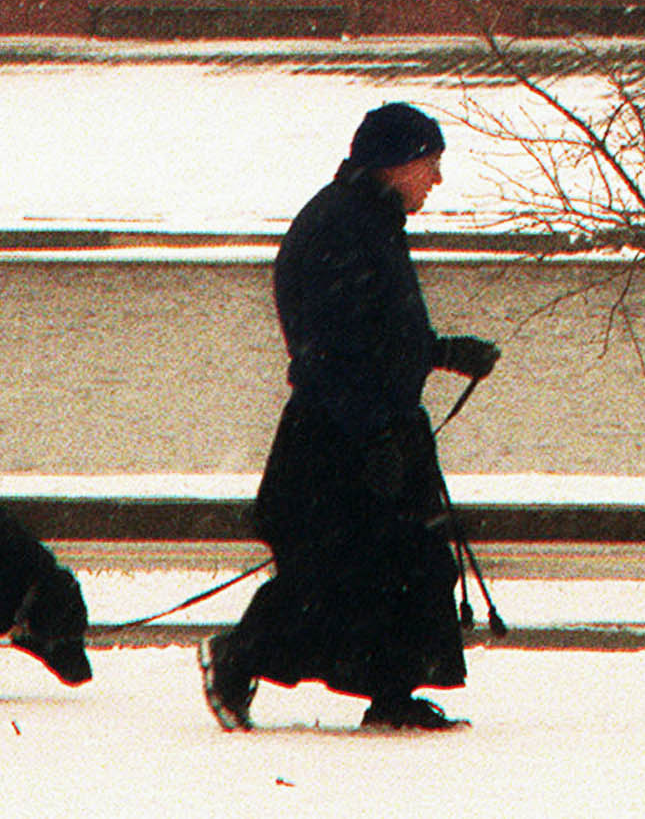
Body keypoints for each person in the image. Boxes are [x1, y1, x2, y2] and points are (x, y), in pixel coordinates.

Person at [200, 102, 500, 732]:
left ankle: (392, 696)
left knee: (406, 564)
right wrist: (372, 437)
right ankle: (238, 656)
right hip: (337, 435)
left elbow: (378, 334)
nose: (436, 181)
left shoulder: (370, 218)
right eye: (431, 164)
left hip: (372, 426)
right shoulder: (341, 227)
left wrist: (444, 352)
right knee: (340, 572)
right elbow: (330, 349)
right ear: (395, 163)